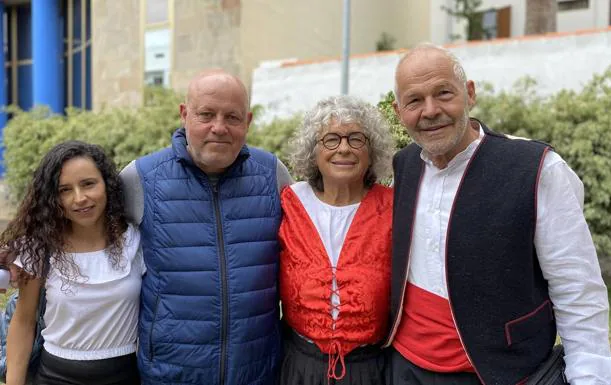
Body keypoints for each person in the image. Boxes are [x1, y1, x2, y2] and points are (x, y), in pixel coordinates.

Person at [386, 43, 611, 385]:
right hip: (406, 369)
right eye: (414, 101)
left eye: (443, 93)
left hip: (502, 374)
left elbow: (576, 287)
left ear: (469, 94)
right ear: (398, 111)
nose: (430, 110)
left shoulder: (537, 169)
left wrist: (589, 377)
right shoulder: (403, 165)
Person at [120, 69, 292, 385]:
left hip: (256, 373)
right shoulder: (140, 179)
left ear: (248, 121)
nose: (219, 128)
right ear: (185, 115)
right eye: (206, 115)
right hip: (170, 375)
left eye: (232, 117)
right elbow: (81, 237)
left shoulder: (273, 176)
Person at [2, 141, 143, 385]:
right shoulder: (40, 247)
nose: (79, 198)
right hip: (55, 376)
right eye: (64, 190)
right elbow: (23, 322)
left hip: (125, 376)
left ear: (107, 184)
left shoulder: (136, 240)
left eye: (88, 184)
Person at [278, 95, 394, 385]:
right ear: (314, 151)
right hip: (299, 366)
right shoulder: (290, 202)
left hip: (371, 369)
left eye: (356, 139)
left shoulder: (394, 207)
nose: (343, 148)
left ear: (371, 151)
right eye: (331, 139)